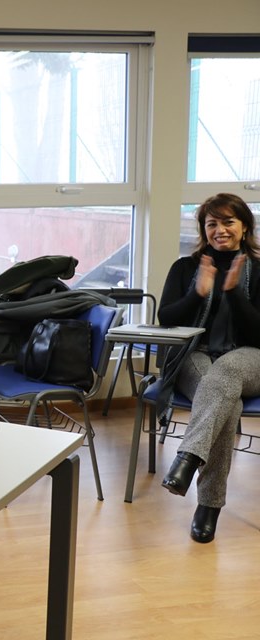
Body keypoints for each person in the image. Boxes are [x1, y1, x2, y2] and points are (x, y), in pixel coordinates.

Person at [158, 192, 260, 543]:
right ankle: (209, 507)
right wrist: (197, 294)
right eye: (212, 223)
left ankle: (186, 458)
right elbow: (166, 319)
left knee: (227, 374)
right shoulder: (186, 268)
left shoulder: (259, 269)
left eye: (228, 222)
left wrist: (233, 293)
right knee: (223, 399)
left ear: (245, 226)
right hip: (194, 355)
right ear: (203, 228)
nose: (220, 230)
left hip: (249, 357)